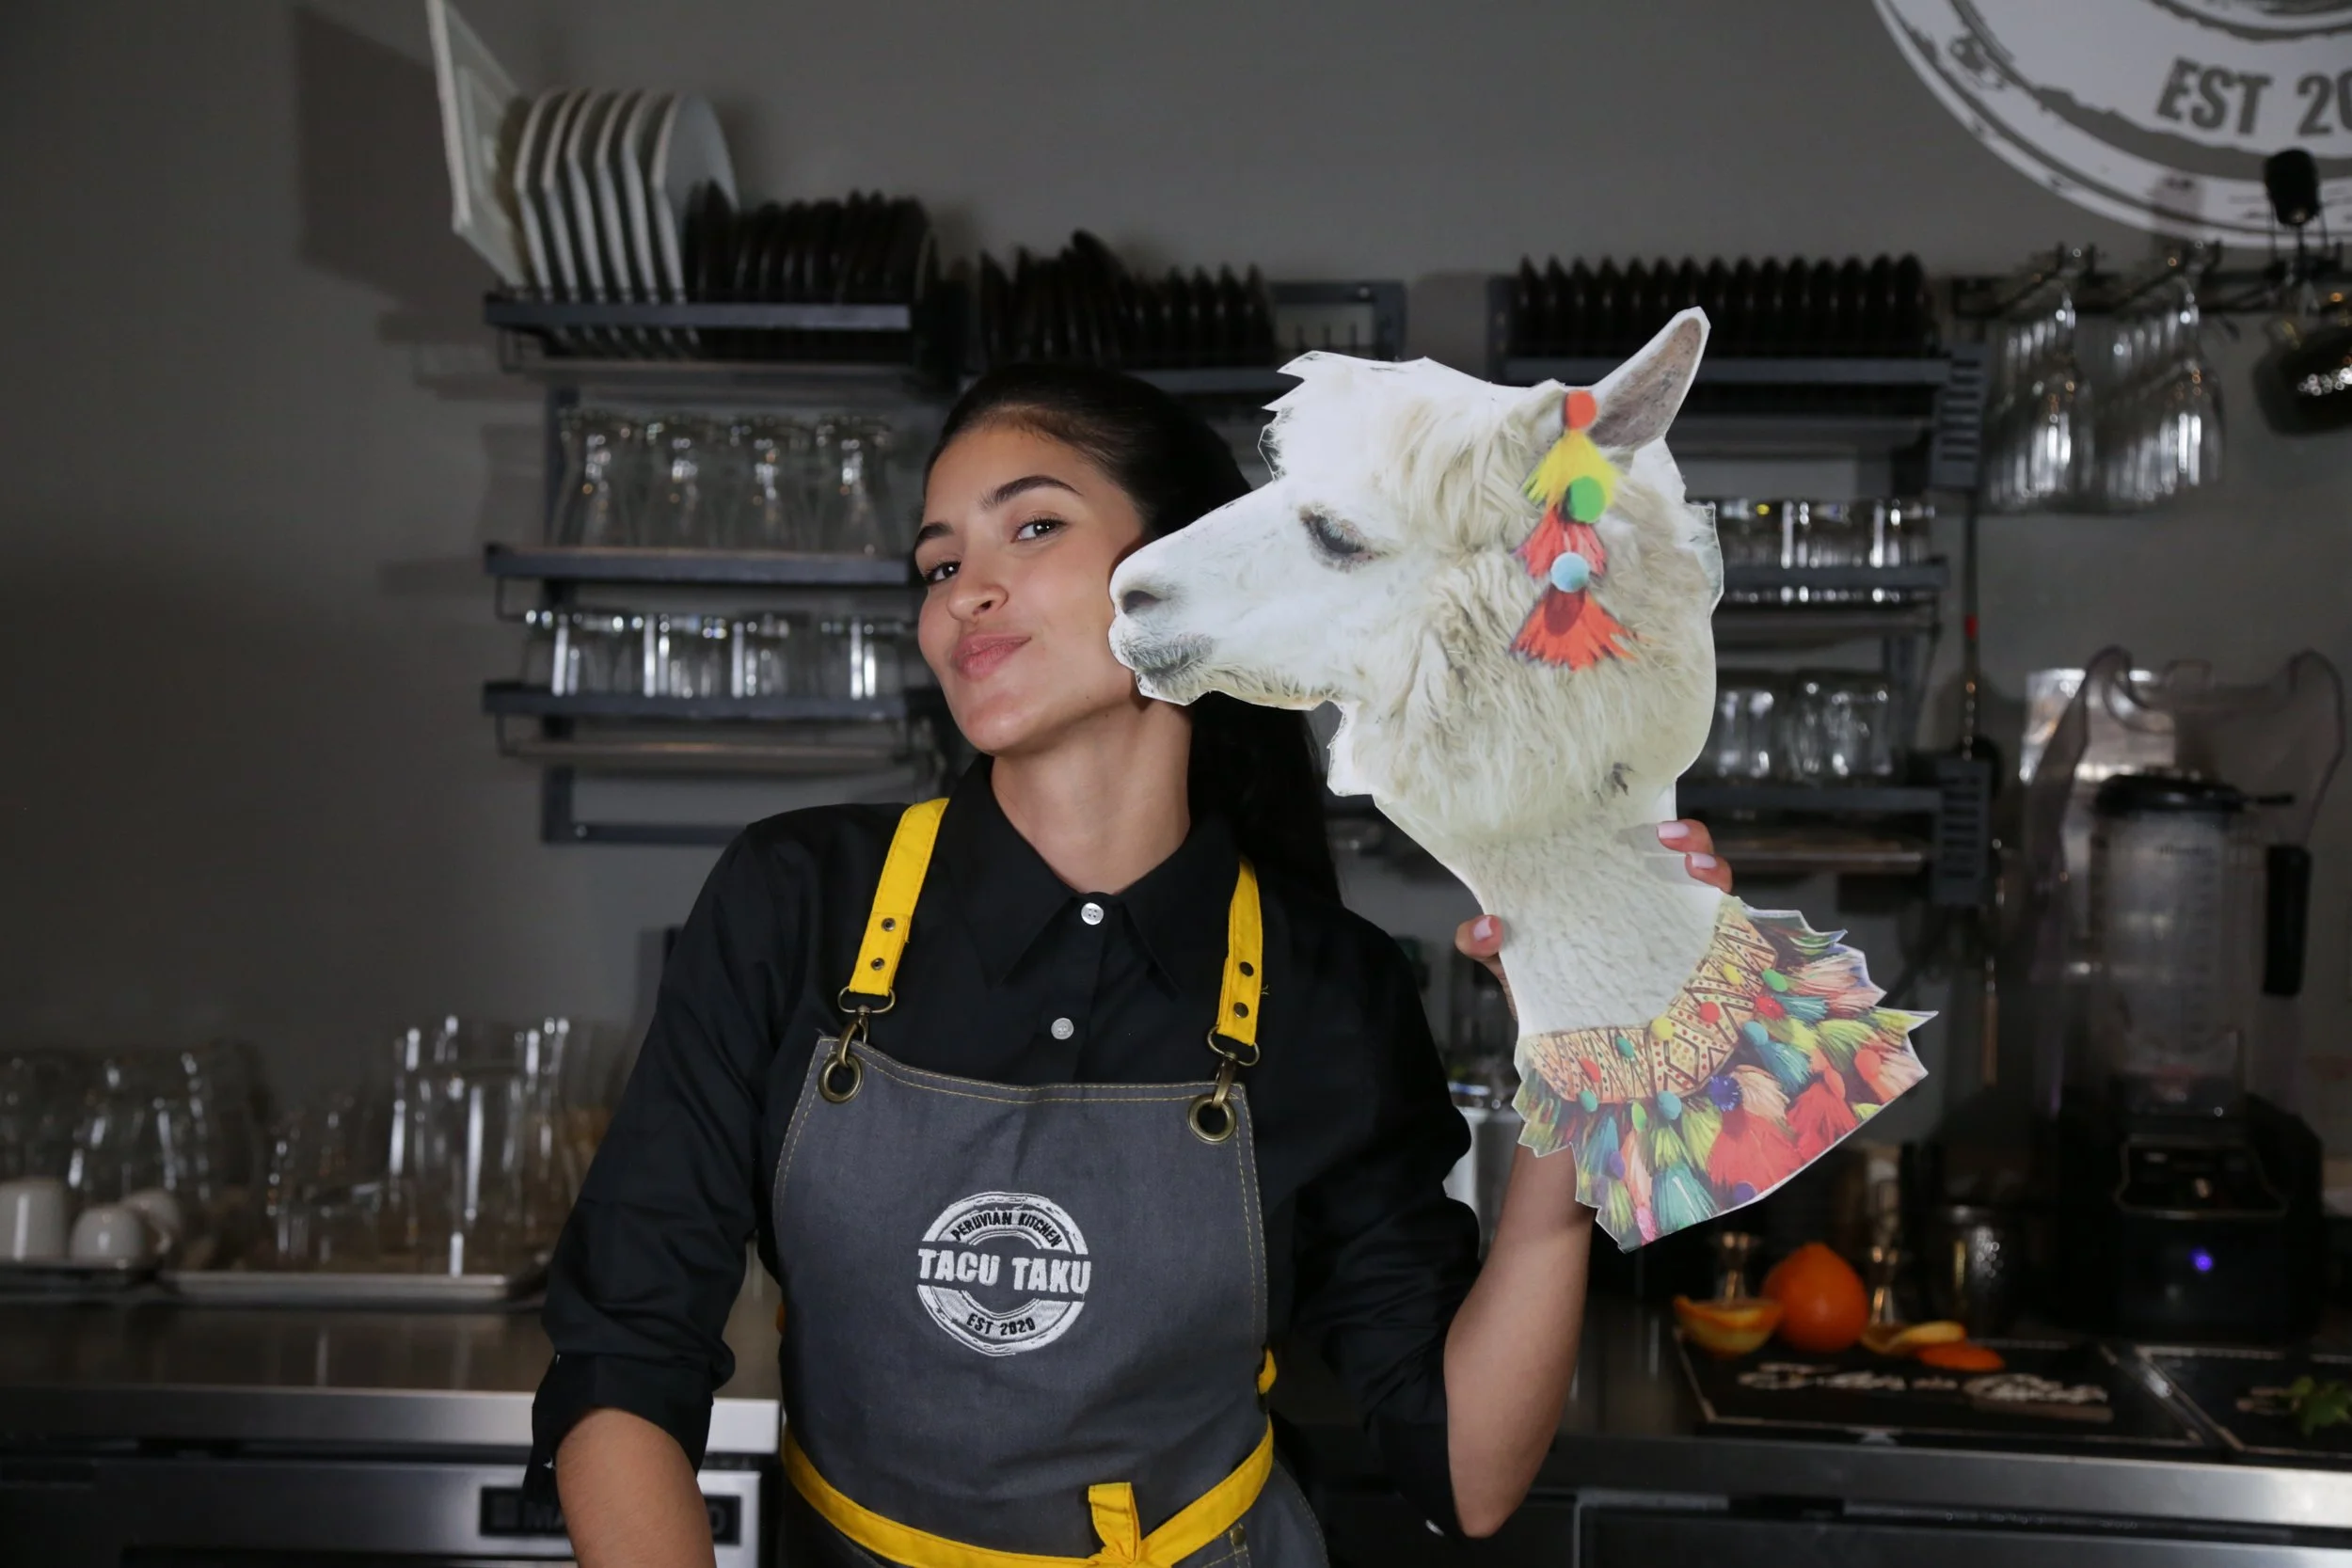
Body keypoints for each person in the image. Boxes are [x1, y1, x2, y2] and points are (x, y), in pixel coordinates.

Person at [529, 364, 1735, 1567]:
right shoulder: (797, 901)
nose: (966, 594)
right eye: (939, 563)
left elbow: (1463, 1472)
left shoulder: (1331, 989)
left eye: (1034, 526)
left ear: (1194, 556)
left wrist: (1580, 1071)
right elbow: (623, 1359)